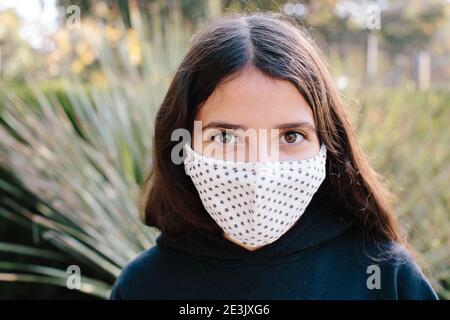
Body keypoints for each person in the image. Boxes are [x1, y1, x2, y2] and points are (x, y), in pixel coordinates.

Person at [110, 12, 438, 300]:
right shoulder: (144, 285)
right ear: (182, 145)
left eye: (290, 136)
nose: (259, 169)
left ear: (328, 144)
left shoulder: (386, 278)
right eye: (225, 136)